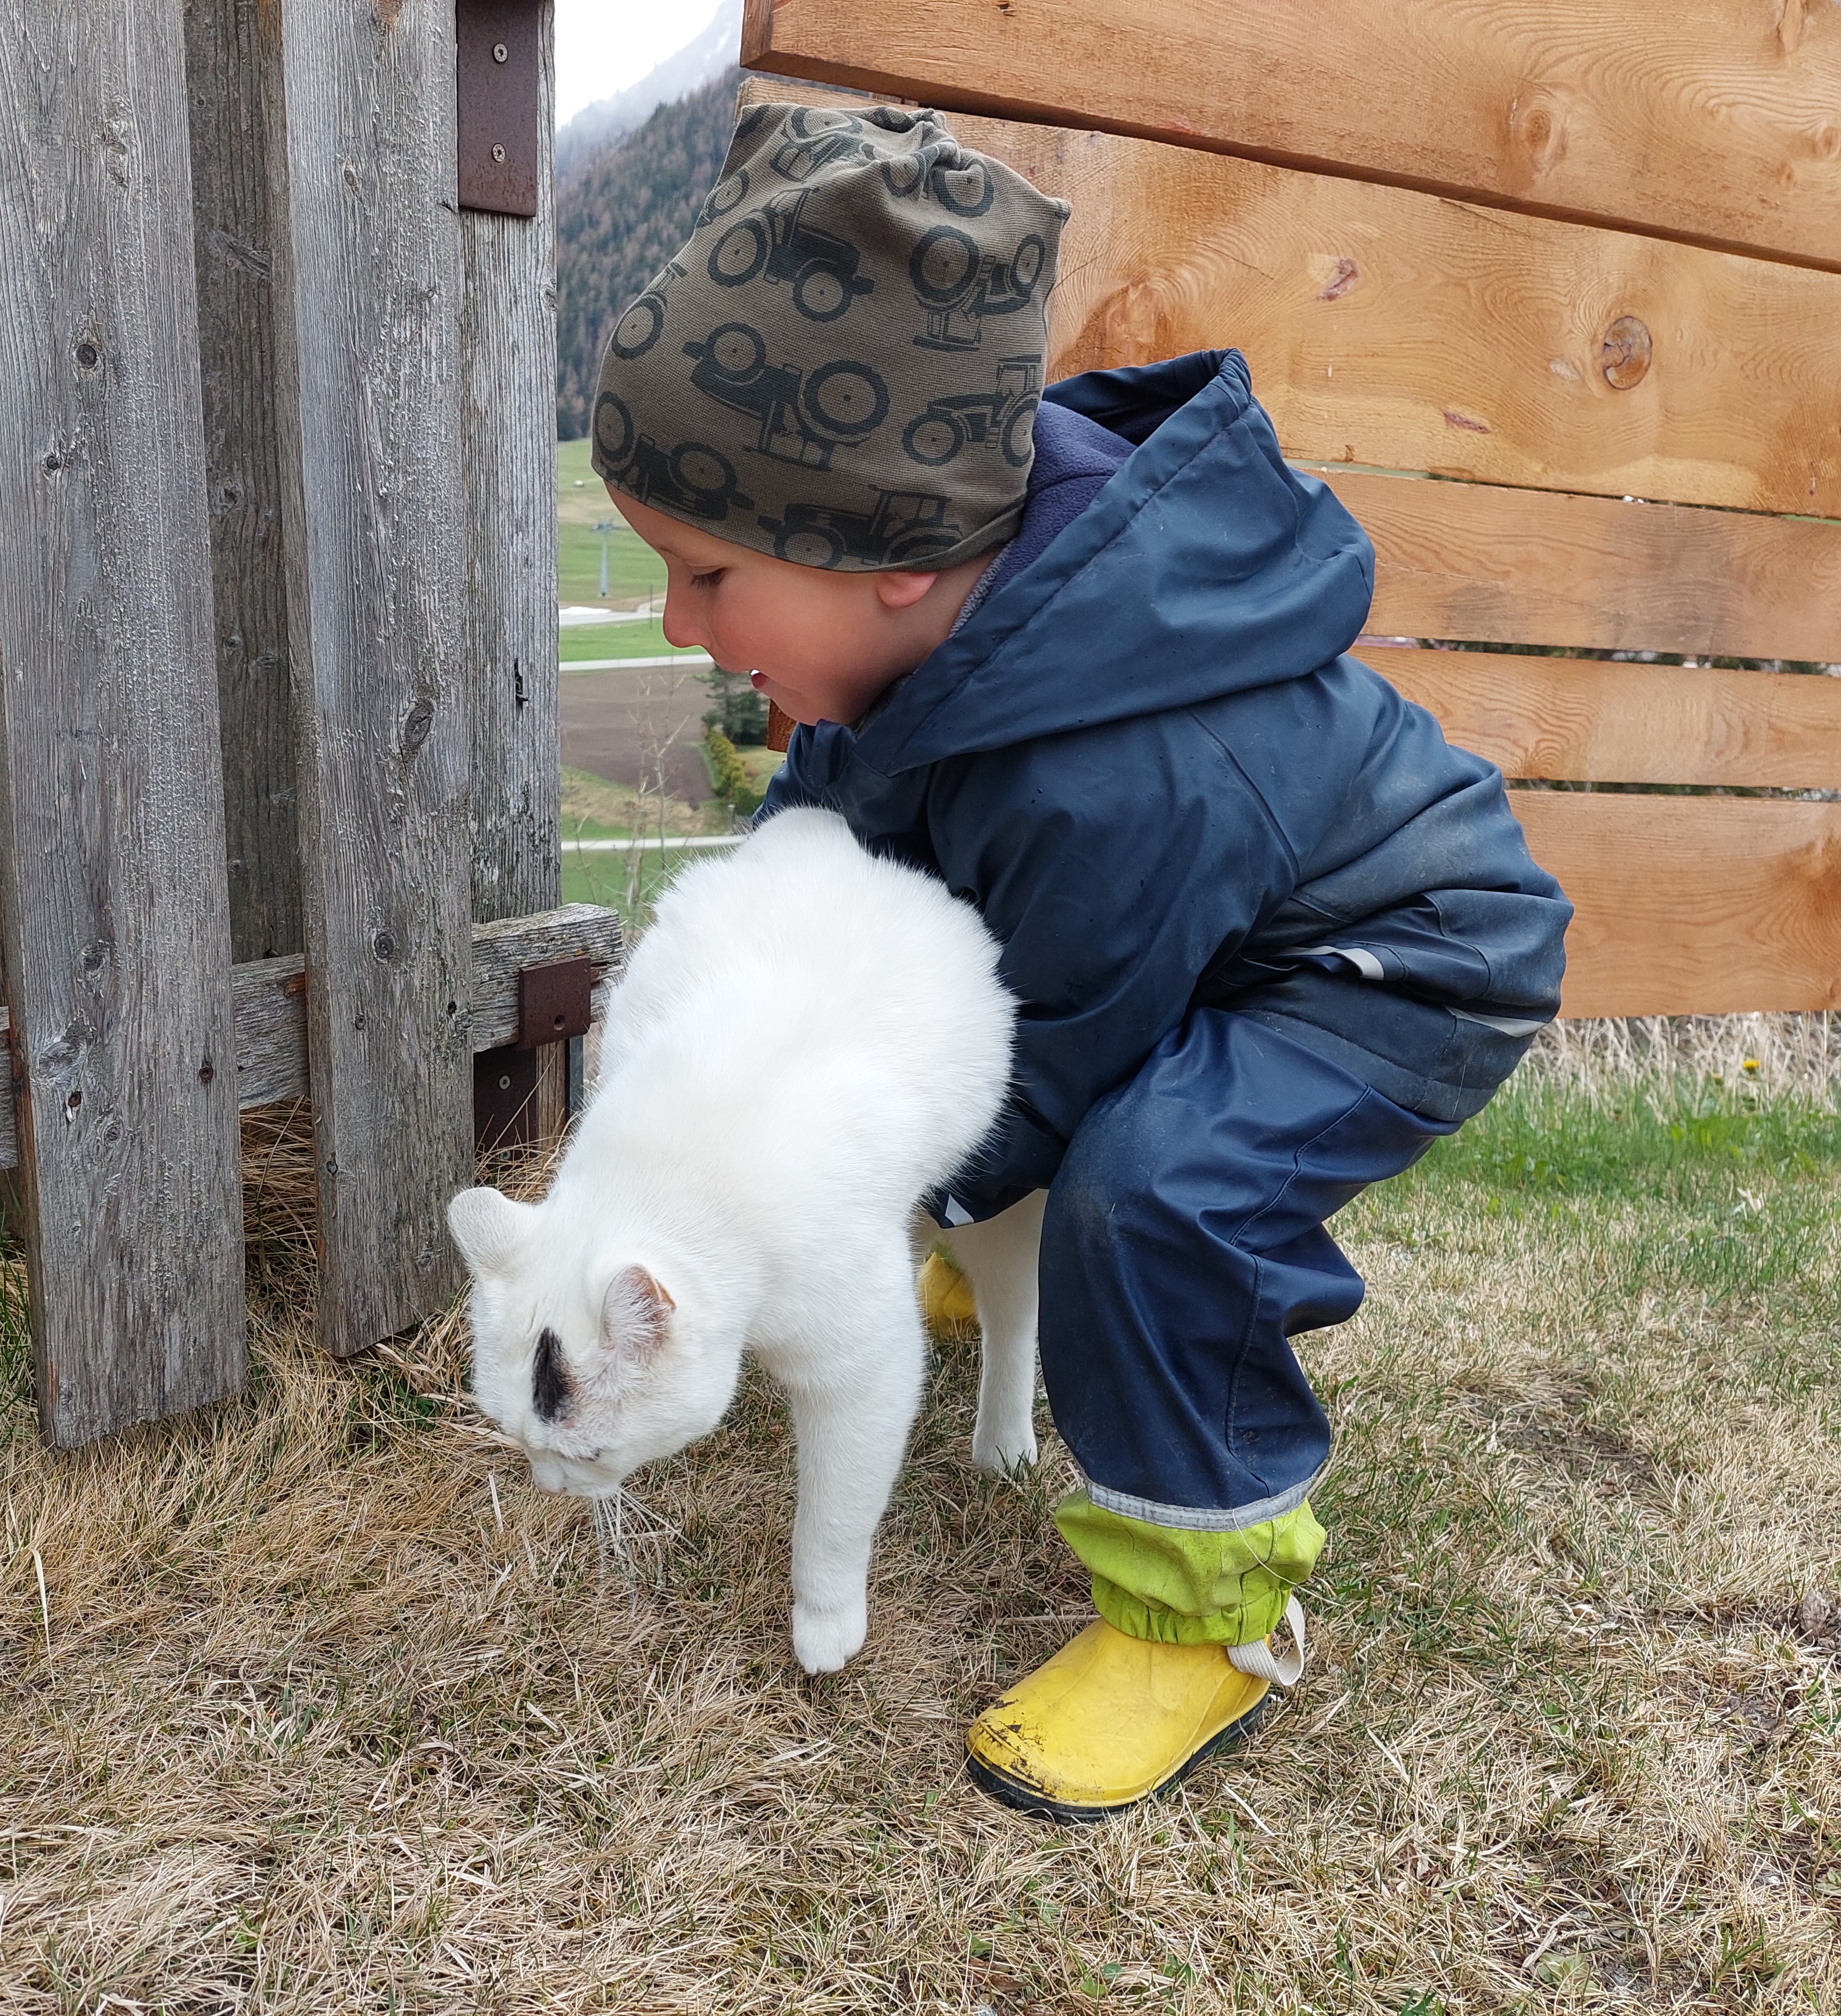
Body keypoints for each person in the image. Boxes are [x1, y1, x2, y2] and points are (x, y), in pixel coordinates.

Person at [587, 101, 1570, 1822]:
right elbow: (836, 858)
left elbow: (1052, 1046)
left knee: (1156, 1182)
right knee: (1011, 1073)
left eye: (708, 575)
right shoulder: (929, 627)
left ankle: (1202, 1619)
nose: (681, 626)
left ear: (893, 562)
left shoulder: (1120, 770)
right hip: (1211, 913)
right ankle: (990, 1259)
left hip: (1395, 959)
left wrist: (873, 1193)